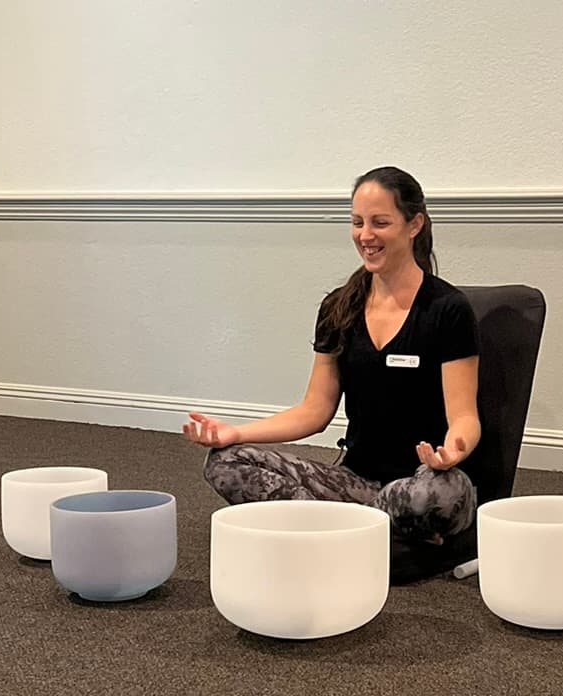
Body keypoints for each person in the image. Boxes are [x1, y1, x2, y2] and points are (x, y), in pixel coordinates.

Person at [183, 166, 480, 584]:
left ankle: (325, 532)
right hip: (354, 483)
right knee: (226, 463)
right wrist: (236, 433)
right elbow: (315, 409)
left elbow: (465, 416)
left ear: (414, 224)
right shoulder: (339, 307)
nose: (365, 235)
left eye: (380, 222)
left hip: (420, 482)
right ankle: (357, 532)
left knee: (441, 496)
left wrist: (453, 450)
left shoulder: (448, 310)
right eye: (358, 222)